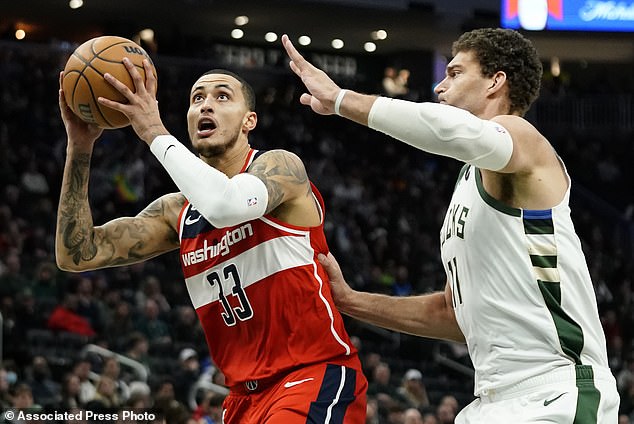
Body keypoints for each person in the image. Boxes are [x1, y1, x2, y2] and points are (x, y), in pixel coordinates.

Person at [282, 28, 619, 423]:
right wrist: (350, 300)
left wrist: (341, 100)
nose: (440, 85)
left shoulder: (522, 137)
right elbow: (452, 313)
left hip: (555, 389)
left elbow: (443, 127)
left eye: (456, 73)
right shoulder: (467, 184)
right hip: (491, 398)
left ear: (496, 81)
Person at [56, 56, 367, 422]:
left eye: (222, 97)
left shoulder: (281, 169)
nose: (205, 104)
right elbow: (76, 253)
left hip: (311, 376)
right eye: (196, 98)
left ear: (249, 120)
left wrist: (154, 131)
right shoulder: (177, 213)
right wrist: (79, 147)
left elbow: (226, 204)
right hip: (241, 400)